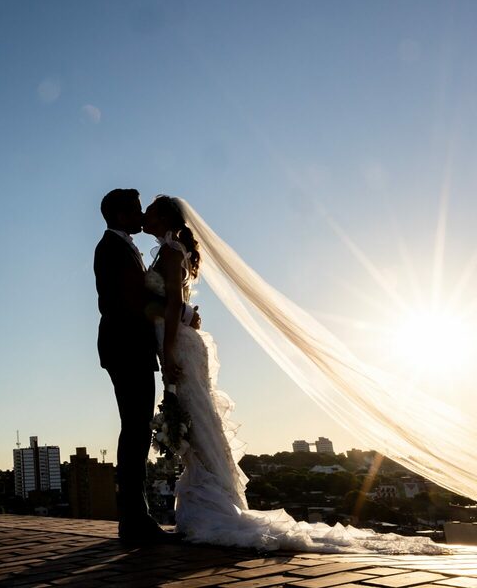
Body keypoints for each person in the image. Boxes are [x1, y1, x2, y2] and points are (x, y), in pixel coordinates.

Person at [141, 195, 448, 554]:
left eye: (150, 211)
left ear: (164, 217)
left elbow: (174, 303)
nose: (145, 215)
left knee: (198, 425)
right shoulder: (172, 250)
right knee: (199, 425)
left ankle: (214, 510)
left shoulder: (170, 252)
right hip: (181, 341)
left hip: (179, 346)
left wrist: (171, 348)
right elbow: (178, 303)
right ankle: (212, 505)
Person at [94, 189, 190, 544]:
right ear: (120, 216)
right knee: (135, 430)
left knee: (136, 430)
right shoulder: (110, 248)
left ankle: (135, 519)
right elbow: (132, 301)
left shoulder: (123, 246)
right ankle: (134, 522)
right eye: (135, 210)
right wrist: (183, 311)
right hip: (125, 348)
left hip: (132, 348)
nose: (140, 215)